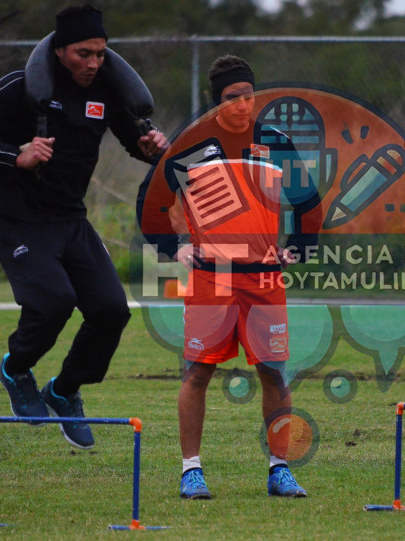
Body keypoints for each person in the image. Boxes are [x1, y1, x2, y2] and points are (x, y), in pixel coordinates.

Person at [0, 4, 169, 449]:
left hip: (70, 220)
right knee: (54, 303)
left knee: (111, 311)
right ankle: (15, 369)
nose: (93, 63)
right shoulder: (20, 86)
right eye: (83, 54)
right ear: (60, 49)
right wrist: (16, 154)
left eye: (100, 54)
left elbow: (135, 141)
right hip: (17, 221)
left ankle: (65, 390)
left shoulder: (106, 89)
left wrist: (151, 147)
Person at [137, 55, 319, 498]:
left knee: (274, 373)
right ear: (216, 102)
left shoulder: (276, 142)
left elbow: (308, 201)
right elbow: (151, 201)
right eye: (232, 98)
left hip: (264, 281)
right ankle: (191, 471)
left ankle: (280, 470)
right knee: (198, 372)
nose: (243, 104)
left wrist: (298, 247)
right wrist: (172, 247)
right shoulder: (192, 145)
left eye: (249, 95)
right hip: (211, 280)